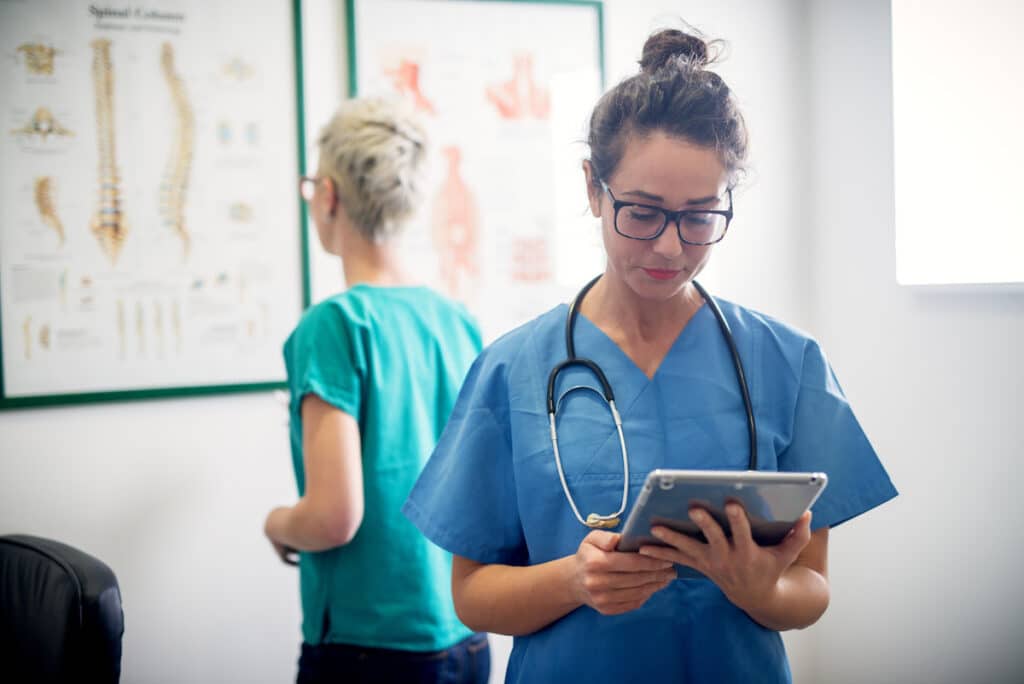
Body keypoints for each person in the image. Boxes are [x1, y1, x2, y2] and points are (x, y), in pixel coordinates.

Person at [402, 27, 898, 683]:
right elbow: (471, 594)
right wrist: (575, 581)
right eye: (641, 212)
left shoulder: (786, 362)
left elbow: (810, 588)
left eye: (699, 216)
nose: (669, 248)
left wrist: (761, 591)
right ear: (592, 189)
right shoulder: (513, 369)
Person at [263, 97, 490, 684]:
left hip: (371, 649)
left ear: (331, 194)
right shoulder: (456, 319)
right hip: (465, 634)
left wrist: (278, 522)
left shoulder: (333, 326)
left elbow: (333, 518)